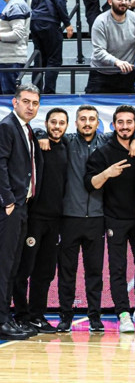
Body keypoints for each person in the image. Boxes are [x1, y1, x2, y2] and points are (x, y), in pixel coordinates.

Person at [49, 105, 135, 333]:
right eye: (83, 119)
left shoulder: (106, 142)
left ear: (99, 123)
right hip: (69, 217)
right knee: (67, 271)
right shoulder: (67, 142)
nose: (87, 123)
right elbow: (44, 132)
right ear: (75, 122)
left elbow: (129, 131)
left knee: (94, 272)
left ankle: (95, 317)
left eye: (91, 119)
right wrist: (40, 135)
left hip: (97, 218)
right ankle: (66, 316)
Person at [84, 105, 135, 333]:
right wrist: (106, 173)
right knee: (118, 268)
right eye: (120, 122)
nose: (125, 126)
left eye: (129, 122)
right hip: (114, 219)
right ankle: (123, 314)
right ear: (113, 125)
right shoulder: (103, 152)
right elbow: (89, 184)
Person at [12, 108, 66, 334]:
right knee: (23, 269)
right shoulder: (36, 143)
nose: (57, 126)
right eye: (53, 122)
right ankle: (21, 315)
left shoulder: (68, 145)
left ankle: (36, 315)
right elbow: (31, 132)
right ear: (46, 123)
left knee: (45, 272)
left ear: (66, 126)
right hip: (34, 217)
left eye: (61, 123)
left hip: (55, 221)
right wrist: (40, 134)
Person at [0, 85, 41, 340]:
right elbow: (0, 163)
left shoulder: (26, 129)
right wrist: (8, 200)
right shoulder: (7, 126)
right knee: (5, 266)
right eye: (26, 101)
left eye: (34, 103)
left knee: (14, 265)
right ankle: (2, 320)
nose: (30, 106)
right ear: (15, 102)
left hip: (22, 205)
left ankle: (7, 318)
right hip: (10, 207)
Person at [85, 0, 135, 94]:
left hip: (126, 75)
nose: (123, 2)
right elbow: (98, 51)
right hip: (101, 75)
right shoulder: (100, 21)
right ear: (110, 2)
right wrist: (117, 62)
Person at [30, 0, 74, 95]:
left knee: (39, 59)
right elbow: (59, 0)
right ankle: (49, 93)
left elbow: (36, 0)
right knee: (54, 59)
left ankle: (35, 92)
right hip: (50, 21)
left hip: (36, 20)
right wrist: (67, 23)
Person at [0, 0, 30, 94]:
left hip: (10, 61)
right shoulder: (14, 5)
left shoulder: (15, 6)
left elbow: (18, 34)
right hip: (8, 60)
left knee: (9, 98)